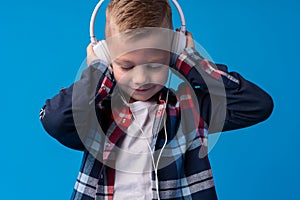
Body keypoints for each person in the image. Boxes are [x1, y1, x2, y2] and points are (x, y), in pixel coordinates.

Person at [39, 0, 273, 199]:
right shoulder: (98, 113)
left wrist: (189, 59)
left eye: (156, 64)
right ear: (107, 59)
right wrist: (96, 70)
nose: (141, 78)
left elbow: (257, 105)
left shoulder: (189, 110)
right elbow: (55, 119)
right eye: (126, 65)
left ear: (172, 57)